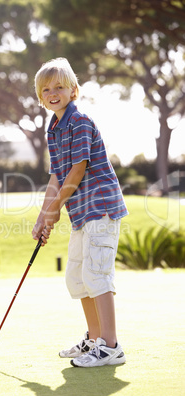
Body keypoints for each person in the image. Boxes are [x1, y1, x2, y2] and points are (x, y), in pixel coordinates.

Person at [32, 57, 128, 368]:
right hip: (82, 214)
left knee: (96, 275)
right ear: (41, 97)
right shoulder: (55, 128)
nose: (52, 92)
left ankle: (111, 347)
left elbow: (76, 171)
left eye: (59, 86)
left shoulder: (81, 121)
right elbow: (56, 176)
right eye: (46, 89)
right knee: (77, 279)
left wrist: (55, 209)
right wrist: (42, 215)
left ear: (74, 91)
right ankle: (94, 339)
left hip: (100, 208)